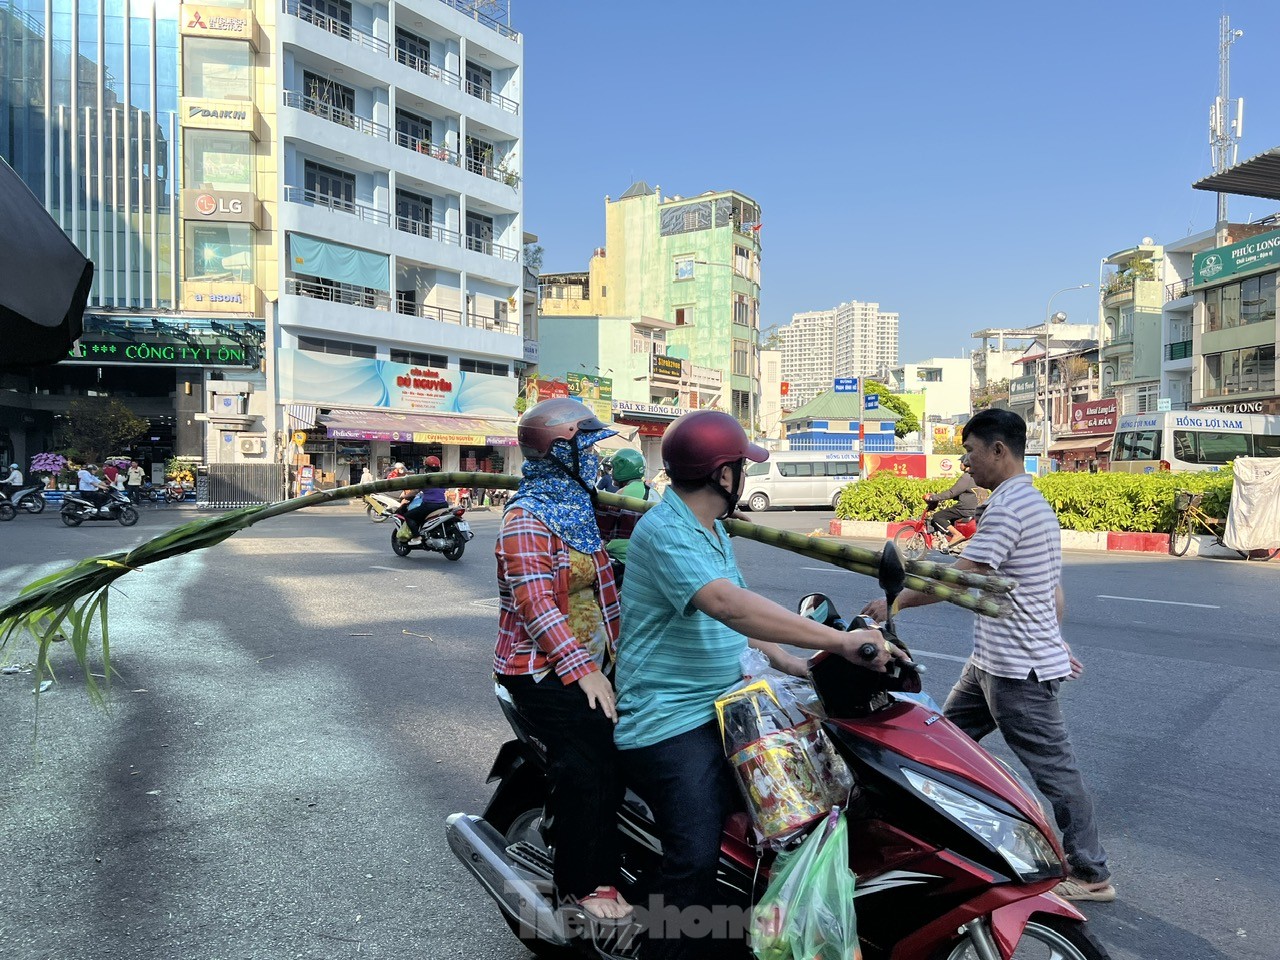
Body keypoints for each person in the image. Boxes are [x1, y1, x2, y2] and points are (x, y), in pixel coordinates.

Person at [613, 410, 906, 959]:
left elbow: (742, 625)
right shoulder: (664, 529)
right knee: (695, 856)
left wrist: (799, 664)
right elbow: (729, 605)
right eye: (741, 466)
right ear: (724, 475)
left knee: (809, 806)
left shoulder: (712, 529)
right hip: (669, 718)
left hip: (725, 707)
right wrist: (840, 642)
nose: (744, 476)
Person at [862, 408, 1113, 903]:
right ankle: (930, 839)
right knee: (937, 744)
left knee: (1056, 773)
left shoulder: (1009, 506)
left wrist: (894, 601)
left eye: (971, 452)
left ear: (999, 450)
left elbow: (962, 579)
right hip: (992, 664)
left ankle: (1090, 871)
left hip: (1017, 671)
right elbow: (1049, 593)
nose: (966, 463)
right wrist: (1051, 641)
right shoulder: (1032, 502)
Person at [494, 398, 632, 925]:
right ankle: (582, 881)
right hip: (539, 668)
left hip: (595, 659)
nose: (594, 460)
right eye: (586, 448)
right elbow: (536, 606)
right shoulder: (524, 519)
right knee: (592, 750)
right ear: (559, 450)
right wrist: (585, 669)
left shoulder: (576, 507)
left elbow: (605, 594)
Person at [603, 449, 654, 567]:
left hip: (623, 557)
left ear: (623, 468)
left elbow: (607, 529)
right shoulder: (652, 491)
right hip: (647, 555)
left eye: (613, 468)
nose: (611, 473)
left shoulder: (623, 493)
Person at [926, 458, 981, 547]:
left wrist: (933, 498)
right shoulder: (978, 476)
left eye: (961, 462)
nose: (960, 465)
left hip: (965, 509)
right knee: (951, 517)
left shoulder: (967, 477)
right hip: (977, 509)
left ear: (965, 463)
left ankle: (956, 534)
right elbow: (967, 493)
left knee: (938, 516)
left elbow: (952, 492)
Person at [396, 456, 450, 543]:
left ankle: (417, 537)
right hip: (443, 504)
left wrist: (404, 497)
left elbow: (414, 492)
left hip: (429, 506)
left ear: (426, 467)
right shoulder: (443, 478)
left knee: (408, 516)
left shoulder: (425, 479)